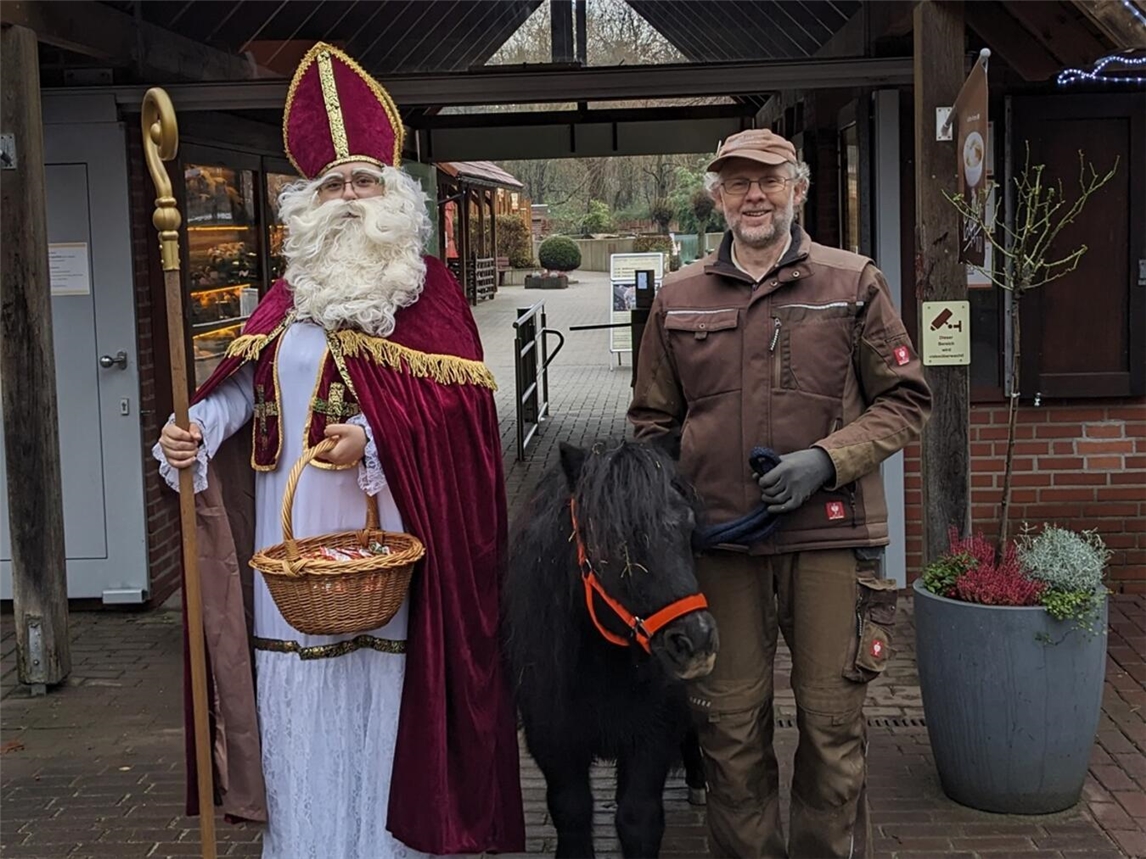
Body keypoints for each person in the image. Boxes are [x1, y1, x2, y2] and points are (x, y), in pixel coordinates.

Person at [154, 42, 524, 858]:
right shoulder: (287, 298)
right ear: (307, 202)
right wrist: (195, 427)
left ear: (393, 193)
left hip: (398, 540)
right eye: (333, 184)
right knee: (303, 708)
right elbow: (244, 391)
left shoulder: (430, 292)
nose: (348, 197)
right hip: (290, 553)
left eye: (363, 180)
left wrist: (378, 438)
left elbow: (466, 430)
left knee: (391, 707)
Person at [627, 128, 932, 858]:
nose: (754, 195)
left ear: (799, 188)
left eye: (768, 180)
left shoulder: (851, 281)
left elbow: (907, 399)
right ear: (719, 197)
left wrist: (826, 461)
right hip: (722, 547)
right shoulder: (678, 296)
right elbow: (651, 425)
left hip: (829, 536)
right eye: (737, 183)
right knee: (729, 731)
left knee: (832, 729)